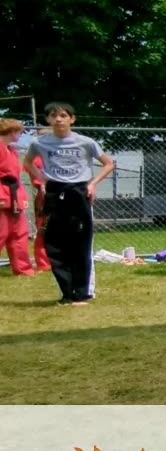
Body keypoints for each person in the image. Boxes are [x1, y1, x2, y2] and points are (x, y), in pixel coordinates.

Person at [22, 101, 116, 305]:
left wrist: (92, 184)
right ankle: (67, 293)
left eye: (63, 115)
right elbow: (27, 163)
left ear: (71, 119)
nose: (58, 119)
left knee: (80, 244)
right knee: (55, 244)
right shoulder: (40, 143)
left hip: (79, 191)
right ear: (48, 120)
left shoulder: (85, 142)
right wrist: (43, 179)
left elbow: (108, 164)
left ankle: (82, 293)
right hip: (55, 193)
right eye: (54, 116)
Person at [0, 118, 34, 275]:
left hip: (14, 195)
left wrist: (22, 198)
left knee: (19, 233)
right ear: (12, 131)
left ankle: (23, 269)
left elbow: (16, 177)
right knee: (1, 233)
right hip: (2, 194)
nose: (21, 135)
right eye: (20, 132)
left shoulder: (12, 150)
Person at [28, 134, 52, 272]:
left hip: (64, 195)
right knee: (44, 230)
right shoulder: (36, 158)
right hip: (45, 198)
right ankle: (44, 263)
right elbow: (38, 181)